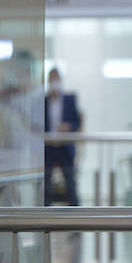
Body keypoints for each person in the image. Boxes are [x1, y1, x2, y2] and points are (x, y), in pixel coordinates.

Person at [45, 67, 82, 206]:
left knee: (70, 184)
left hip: (65, 147)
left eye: (57, 78)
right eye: (52, 79)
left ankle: (76, 220)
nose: (54, 82)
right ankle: (44, 219)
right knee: (46, 186)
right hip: (49, 148)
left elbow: (77, 123)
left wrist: (68, 127)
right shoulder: (44, 101)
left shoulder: (69, 99)